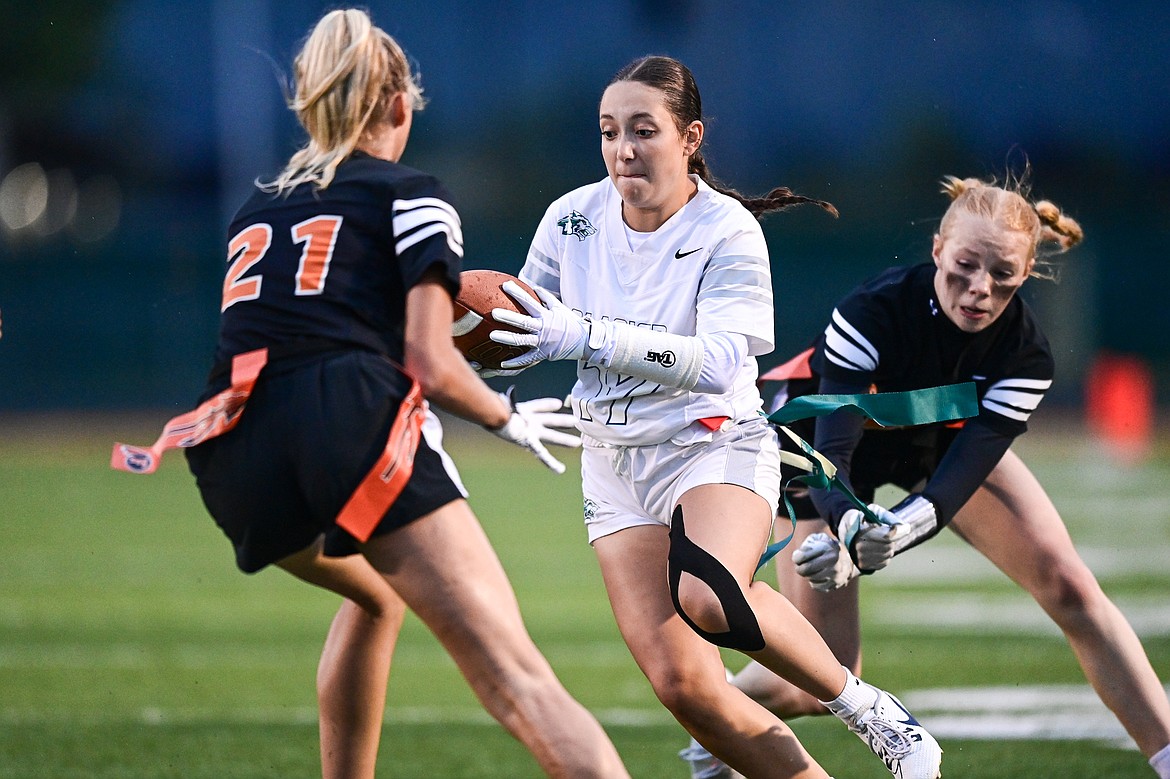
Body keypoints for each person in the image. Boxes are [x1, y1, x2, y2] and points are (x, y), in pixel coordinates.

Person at [113, 10, 631, 779]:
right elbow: (428, 357)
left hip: (231, 443)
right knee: (517, 678)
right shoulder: (411, 193)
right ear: (398, 106)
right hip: (344, 418)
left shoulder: (257, 210)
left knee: (373, 597)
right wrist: (505, 414)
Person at [485, 55, 943, 779]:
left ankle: (867, 708)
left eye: (643, 130)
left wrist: (584, 336)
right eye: (608, 131)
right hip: (613, 462)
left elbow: (718, 362)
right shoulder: (570, 216)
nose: (622, 149)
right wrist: (472, 345)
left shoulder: (726, 228)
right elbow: (519, 329)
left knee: (707, 594)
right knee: (685, 687)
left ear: (689, 136)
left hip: (713, 442)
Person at [682, 172, 1170, 779]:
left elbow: (957, 481)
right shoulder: (871, 312)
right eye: (965, 265)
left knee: (1070, 586)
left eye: (1002, 275)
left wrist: (890, 534)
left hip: (936, 447)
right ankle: (715, 716)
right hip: (814, 450)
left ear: (1025, 276)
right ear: (937, 250)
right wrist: (851, 529)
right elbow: (835, 446)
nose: (979, 290)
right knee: (817, 678)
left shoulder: (1025, 356)